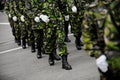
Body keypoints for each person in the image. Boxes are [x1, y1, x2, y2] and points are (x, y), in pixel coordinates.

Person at [40, 0, 72, 70]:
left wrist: (66, 13)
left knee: (61, 41)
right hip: (47, 23)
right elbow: (33, 8)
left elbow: (62, 3)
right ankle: (51, 56)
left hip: (58, 20)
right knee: (49, 41)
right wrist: (41, 16)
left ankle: (64, 62)